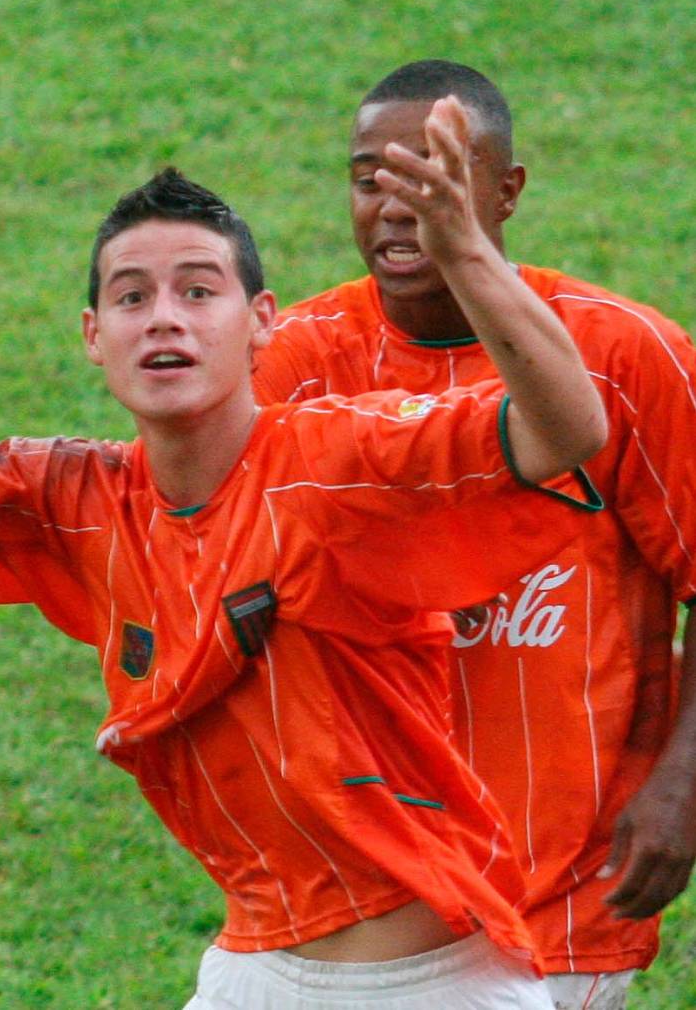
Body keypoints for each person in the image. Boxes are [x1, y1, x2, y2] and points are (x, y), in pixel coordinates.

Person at [0, 97, 606, 1008]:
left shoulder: (346, 463)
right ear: (93, 337)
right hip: (251, 974)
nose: (163, 319)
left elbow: (569, 430)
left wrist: (463, 254)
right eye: (131, 297)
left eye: (197, 290)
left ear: (262, 321)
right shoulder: (73, 501)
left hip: (437, 983)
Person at [253, 59, 696, 1010]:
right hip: (361, 915)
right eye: (372, 180)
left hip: (560, 905)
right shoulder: (293, 361)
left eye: (433, 178)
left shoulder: (627, 356)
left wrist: (681, 783)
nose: (396, 207)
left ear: (507, 191)